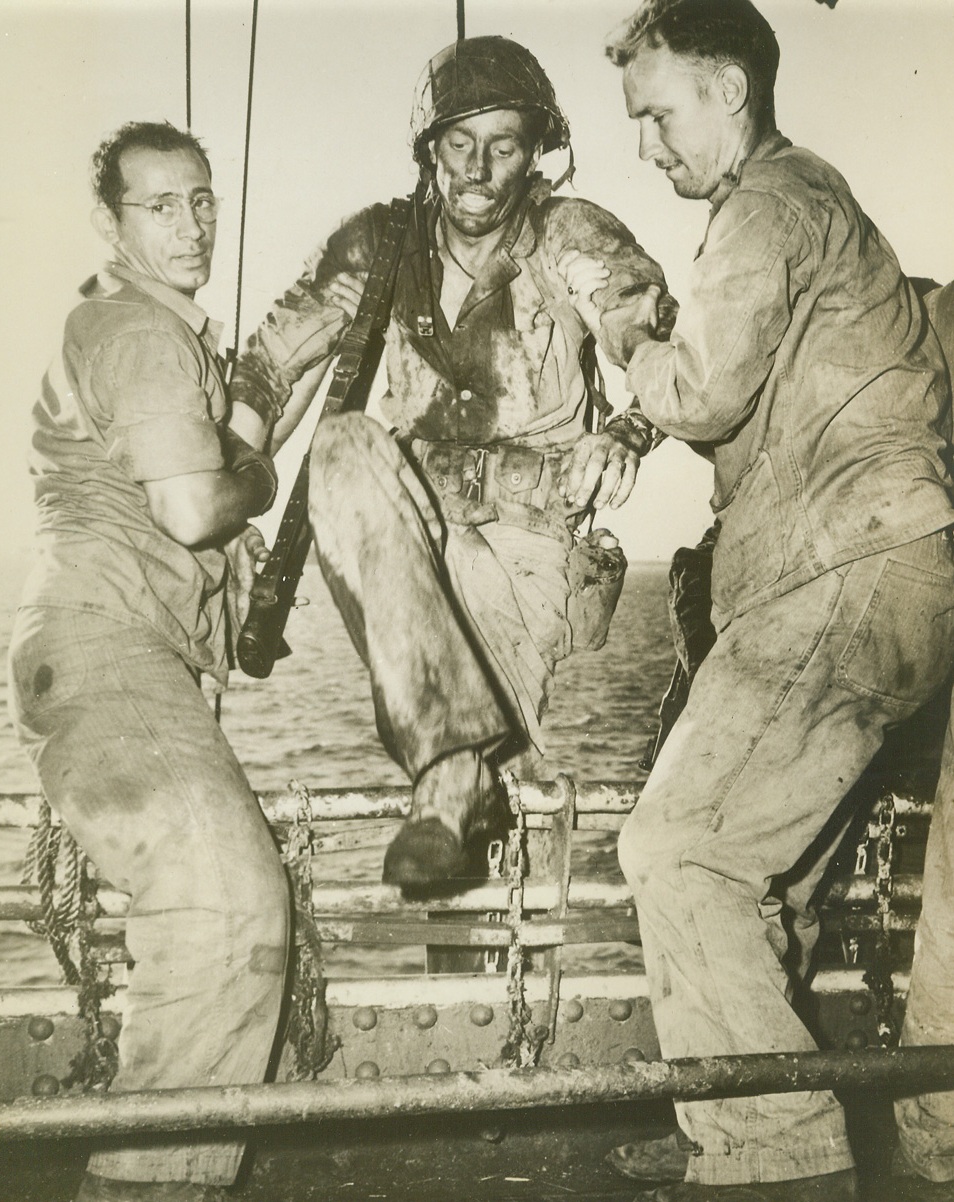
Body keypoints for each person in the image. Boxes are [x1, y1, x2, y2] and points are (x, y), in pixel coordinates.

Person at [559, 1, 954, 1199]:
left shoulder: (765, 204)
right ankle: (748, 1120)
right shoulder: (816, 205)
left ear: (727, 91)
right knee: (763, 874)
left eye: (656, 113)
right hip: (901, 574)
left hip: (835, 571)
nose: (645, 145)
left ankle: (776, 1157)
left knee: (678, 848)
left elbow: (704, 386)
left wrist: (612, 326)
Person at [229, 35, 676, 889]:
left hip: (525, 549)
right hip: (410, 546)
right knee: (342, 443)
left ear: (537, 149)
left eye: (502, 146)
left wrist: (626, 432)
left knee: (484, 809)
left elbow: (656, 348)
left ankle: (451, 797)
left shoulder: (567, 235)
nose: (477, 168)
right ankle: (448, 781)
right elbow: (267, 367)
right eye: (458, 143)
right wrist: (215, 505)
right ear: (428, 146)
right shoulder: (377, 244)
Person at [7, 121, 289, 1202]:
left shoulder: (166, 339)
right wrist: (256, 477)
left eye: (203, 200)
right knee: (222, 899)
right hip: (104, 650)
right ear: (111, 224)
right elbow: (189, 506)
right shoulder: (133, 331)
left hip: (115, 656)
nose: (193, 224)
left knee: (221, 899)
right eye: (160, 206)